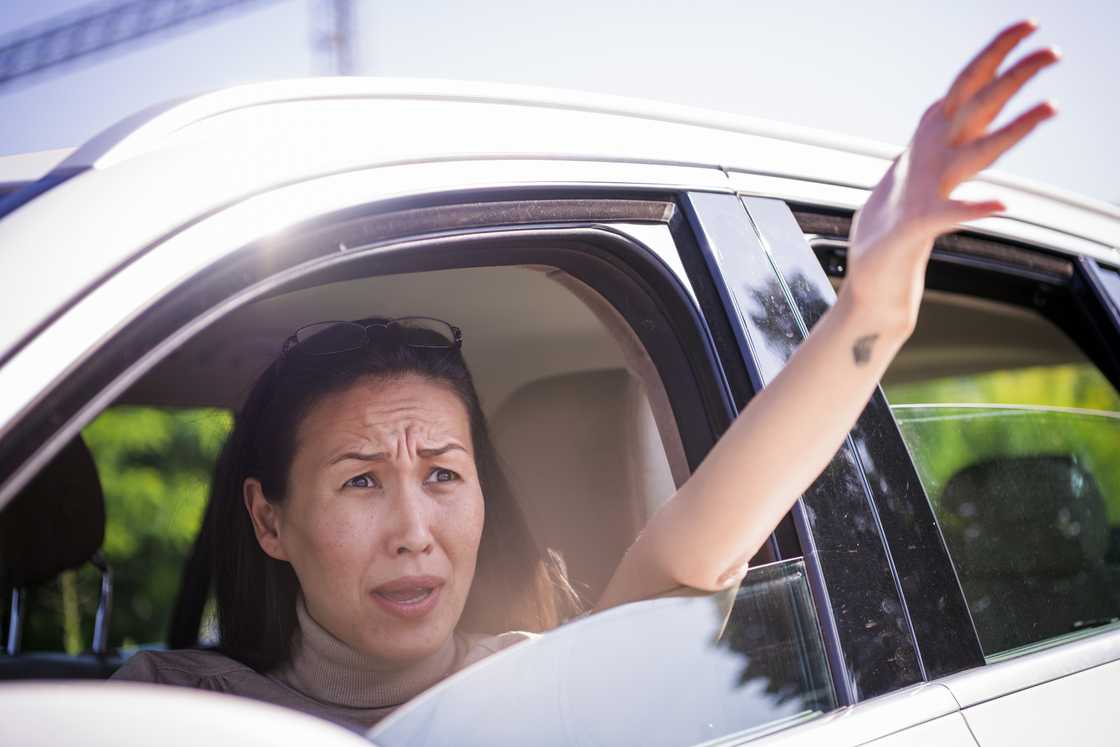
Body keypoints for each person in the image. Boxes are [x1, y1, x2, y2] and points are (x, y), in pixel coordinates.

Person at [112, 20, 1061, 733]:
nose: (415, 533)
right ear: (269, 518)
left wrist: (871, 311)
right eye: (361, 479)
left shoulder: (548, 690)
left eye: (444, 472)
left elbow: (699, 549)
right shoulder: (167, 710)